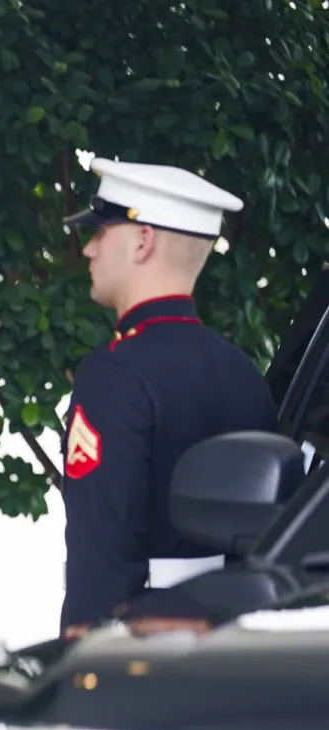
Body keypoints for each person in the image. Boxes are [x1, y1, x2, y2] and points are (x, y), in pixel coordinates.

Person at [57, 158, 278, 635]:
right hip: (234, 637)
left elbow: (103, 551)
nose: (89, 249)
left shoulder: (114, 374)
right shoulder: (243, 374)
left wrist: (82, 657)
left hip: (139, 646)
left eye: (100, 232)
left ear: (142, 241)